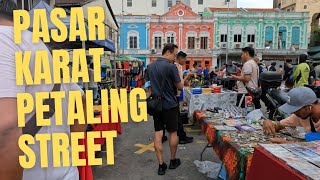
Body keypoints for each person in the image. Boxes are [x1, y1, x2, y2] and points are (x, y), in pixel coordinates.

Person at [0, 1, 87, 179]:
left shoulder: (4, 39)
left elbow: (6, 128)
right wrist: (67, 150)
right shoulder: (40, 48)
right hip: (65, 172)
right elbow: (82, 101)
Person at [145, 43, 183, 175]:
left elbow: (148, 87)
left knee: (158, 133)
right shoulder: (171, 67)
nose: (175, 57)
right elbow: (180, 87)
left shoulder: (150, 66)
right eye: (174, 54)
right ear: (168, 52)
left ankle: (161, 165)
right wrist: (180, 73)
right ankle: (172, 160)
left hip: (157, 105)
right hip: (170, 105)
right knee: (173, 132)